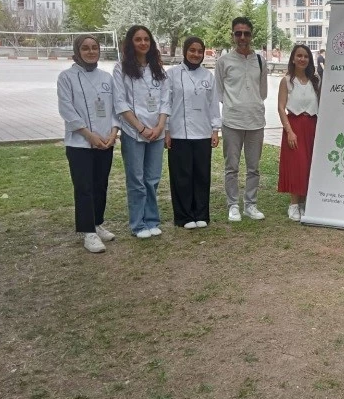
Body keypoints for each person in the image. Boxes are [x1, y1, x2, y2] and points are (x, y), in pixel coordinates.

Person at [57, 35, 120, 253]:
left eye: (94, 47)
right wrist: (88, 135)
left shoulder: (107, 77)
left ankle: (97, 223)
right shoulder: (66, 77)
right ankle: (88, 232)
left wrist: (113, 132)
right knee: (84, 187)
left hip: (105, 141)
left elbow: (115, 108)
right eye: (85, 48)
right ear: (77, 51)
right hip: (79, 143)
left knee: (101, 184)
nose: (91, 51)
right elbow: (67, 110)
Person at [113, 25, 170, 239]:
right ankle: (138, 224)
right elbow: (120, 103)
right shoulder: (121, 69)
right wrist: (141, 128)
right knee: (136, 180)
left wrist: (159, 127)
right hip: (133, 131)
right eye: (138, 39)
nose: (143, 43)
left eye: (146, 39)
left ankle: (152, 220)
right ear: (131, 43)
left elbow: (166, 101)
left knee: (152, 179)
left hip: (156, 132)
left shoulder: (158, 69)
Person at [164, 37, 222, 229]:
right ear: (185, 51)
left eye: (199, 51)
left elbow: (213, 105)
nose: (196, 54)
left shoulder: (208, 76)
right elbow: (166, 103)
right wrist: (166, 130)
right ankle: (184, 216)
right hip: (179, 133)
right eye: (192, 50)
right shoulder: (172, 74)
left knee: (202, 175)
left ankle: (201, 214)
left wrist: (215, 129)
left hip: (203, 133)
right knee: (181, 176)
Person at [215, 17, 268, 222]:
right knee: (232, 167)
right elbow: (219, 92)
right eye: (238, 33)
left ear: (251, 35)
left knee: (254, 167)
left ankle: (250, 205)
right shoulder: (224, 61)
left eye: (246, 33)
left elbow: (262, 92)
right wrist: (235, 105)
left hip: (256, 120)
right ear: (233, 35)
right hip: (232, 121)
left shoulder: (260, 61)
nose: (242, 37)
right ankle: (233, 205)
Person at [277, 44, 321, 220]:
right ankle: (293, 204)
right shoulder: (287, 81)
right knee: (297, 165)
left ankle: (303, 203)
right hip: (294, 126)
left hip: (312, 125)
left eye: (306, 56)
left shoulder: (314, 80)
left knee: (308, 164)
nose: (302, 59)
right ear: (293, 59)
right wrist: (289, 131)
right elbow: (281, 107)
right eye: (299, 56)